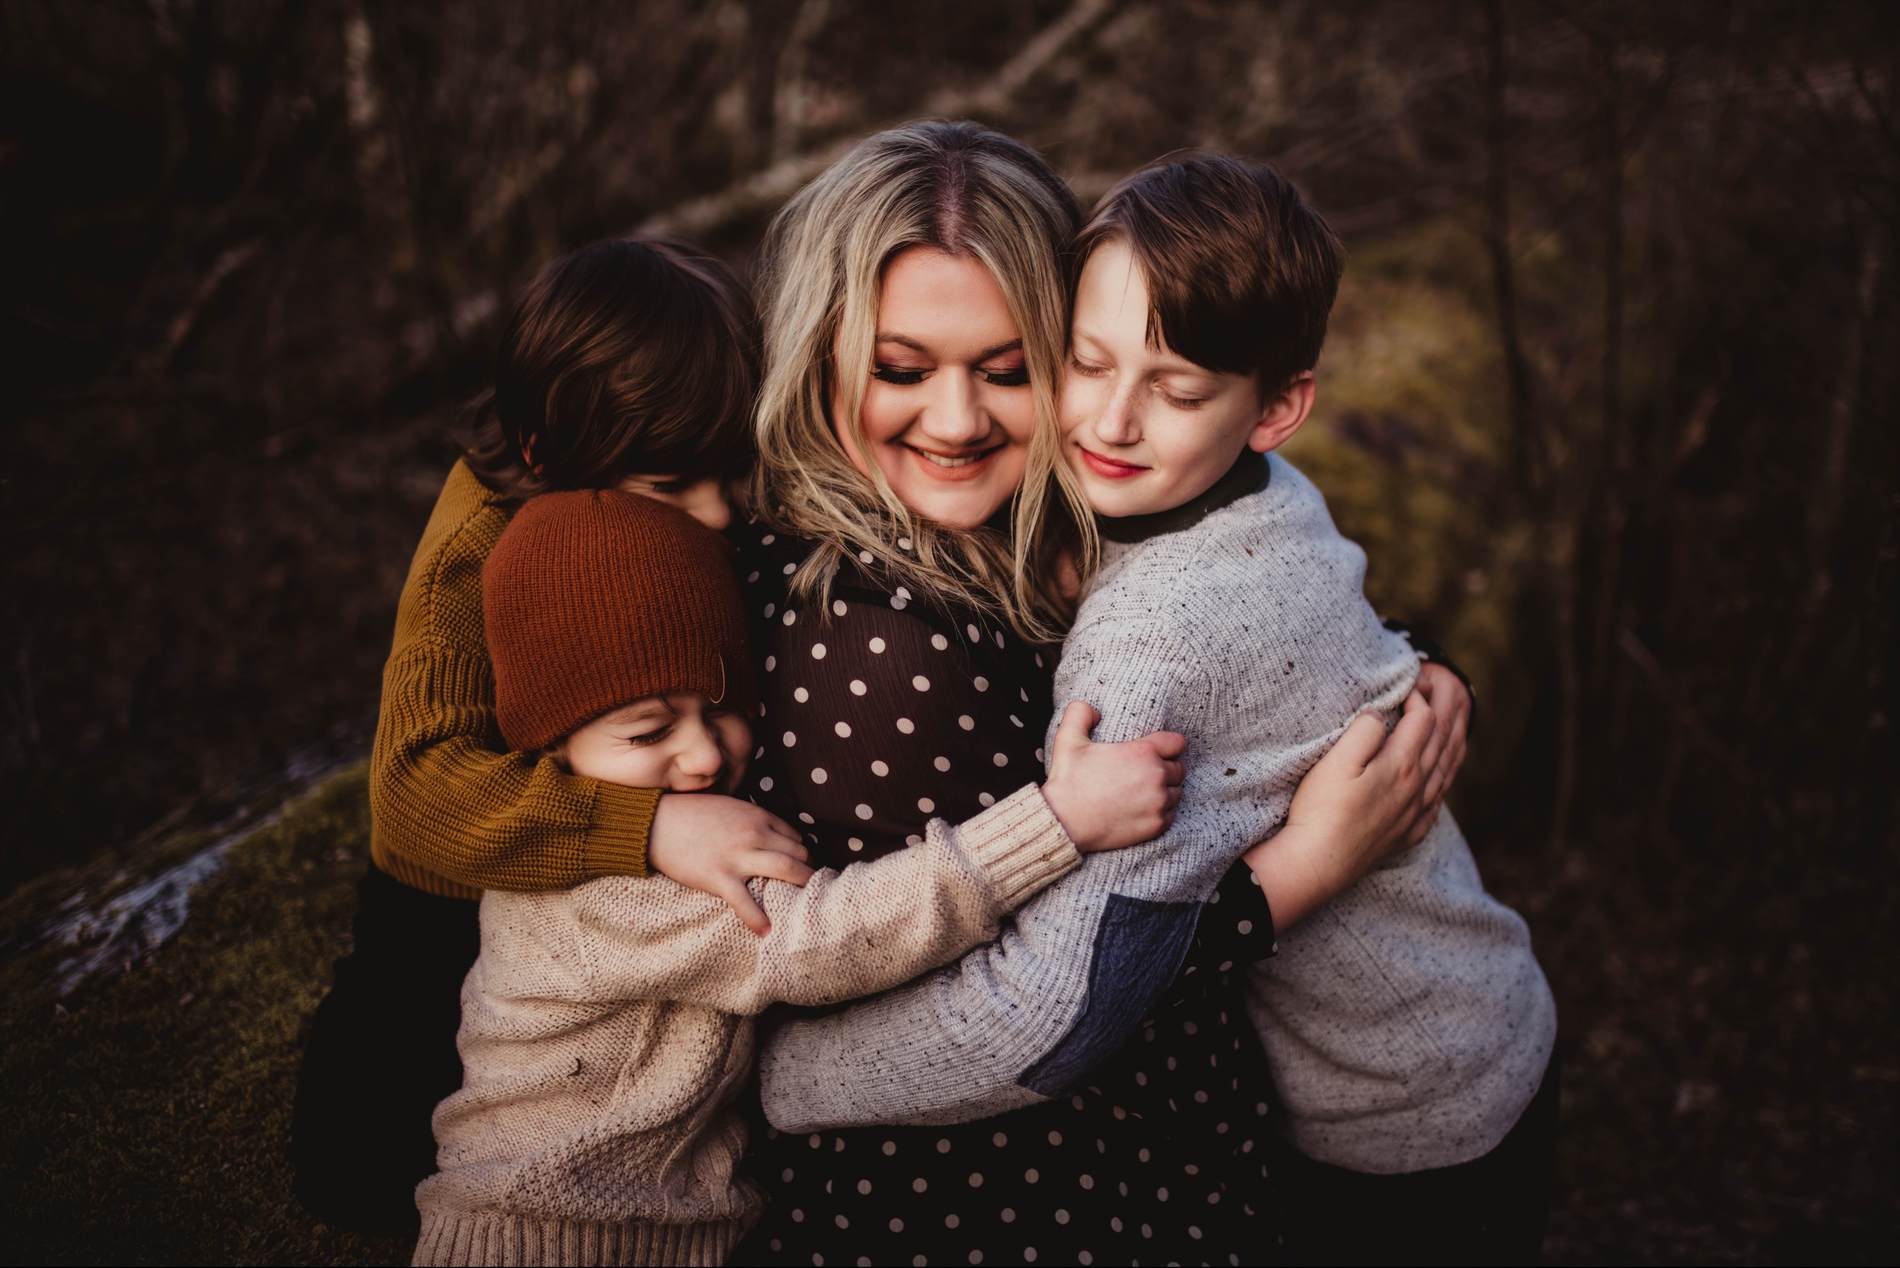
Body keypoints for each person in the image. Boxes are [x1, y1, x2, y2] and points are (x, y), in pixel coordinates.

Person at [728, 120, 1468, 1267]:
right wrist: (1294, 876)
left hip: (1305, 1123)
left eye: (1012, 365)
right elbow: (1062, 998)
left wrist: (1415, 667)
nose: (959, 418)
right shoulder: (881, 654)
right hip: (1015, 1192)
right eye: (902, 366)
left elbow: (1264, 566)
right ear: (820, 349)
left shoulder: (1057, 528)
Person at [412, 488, 1178, 1266]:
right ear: (552, 750)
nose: (704, 755)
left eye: (720, 708)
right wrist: (1054, 823)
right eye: (648, 732)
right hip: (544, 1236)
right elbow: (821, 939)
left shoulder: (682, 818)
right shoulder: (602, 895)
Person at [1048, 154, 1560, 1265]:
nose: (1111, 418)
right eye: (1084, 362)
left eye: (1177, 390)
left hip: (1405, 1111)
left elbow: (1083, 982)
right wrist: (1436, 659)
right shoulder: (1251, 485)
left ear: (1277, 407)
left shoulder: (1149, 640)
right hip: (1485, 1008)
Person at [290, 237, 810, 1235]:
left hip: (653, 932)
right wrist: (648, 829)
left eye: (727, 474)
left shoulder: (691, 490)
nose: (713, 513)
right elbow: (415, 798)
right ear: (544, 454)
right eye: (670, 487)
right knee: (359, 1161)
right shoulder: (482, 537)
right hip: (464, 912)